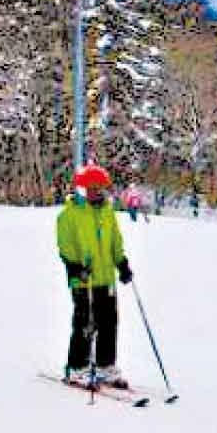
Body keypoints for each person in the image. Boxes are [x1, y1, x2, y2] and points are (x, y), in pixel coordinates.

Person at [58, 164, 133, 388]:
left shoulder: (107, 211)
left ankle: (105, 365)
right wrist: (75, 267)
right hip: (83, 278)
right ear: (82, 189)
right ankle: (77, 367)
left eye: (101, 187)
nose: (98, 191)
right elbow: (65, 245)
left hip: (105, 277)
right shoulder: (69, 215)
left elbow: (115, 240)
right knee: (85, 322)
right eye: (93, 187)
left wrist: (122, 263)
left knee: (109, 321)